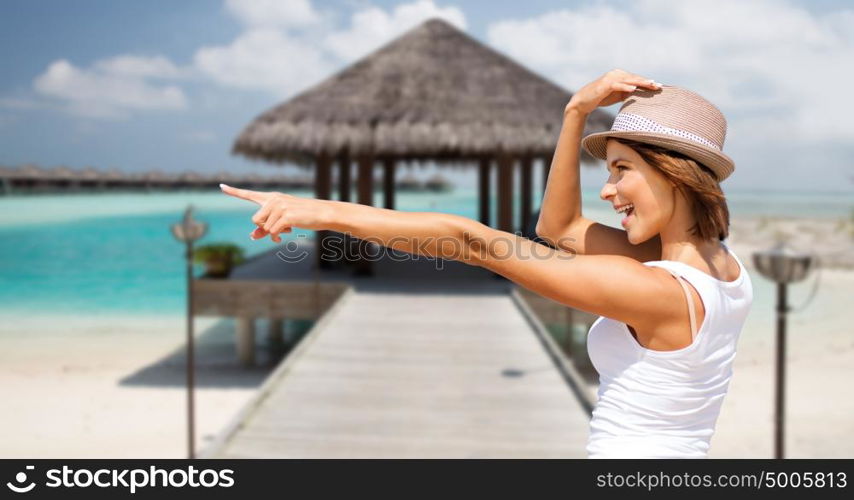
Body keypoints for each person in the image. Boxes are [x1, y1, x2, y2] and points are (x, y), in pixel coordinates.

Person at [219, 68, 753, 459]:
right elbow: (559, 230)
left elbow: (471, 241)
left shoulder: (654, 291)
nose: (609, 190)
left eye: (621, 169)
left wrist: (324, 212)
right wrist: (574, 115)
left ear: (674, 173)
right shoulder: (724, 271)